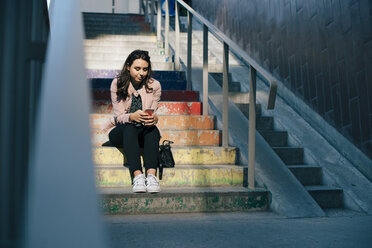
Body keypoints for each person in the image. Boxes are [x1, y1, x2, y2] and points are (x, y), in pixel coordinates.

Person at [102, 50, 161, 193]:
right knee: (129, 128)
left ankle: (151, 177)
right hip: (121, 131)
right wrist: (131, 117)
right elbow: (119, 116)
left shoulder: (155, 85)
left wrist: (154, 118)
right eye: (137, 68)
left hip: (143, 131)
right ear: (128, 67)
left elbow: (152, 111)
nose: (141, 73)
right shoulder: (117, 83)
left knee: (153, 130)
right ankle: (138, 176)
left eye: (145, 69)